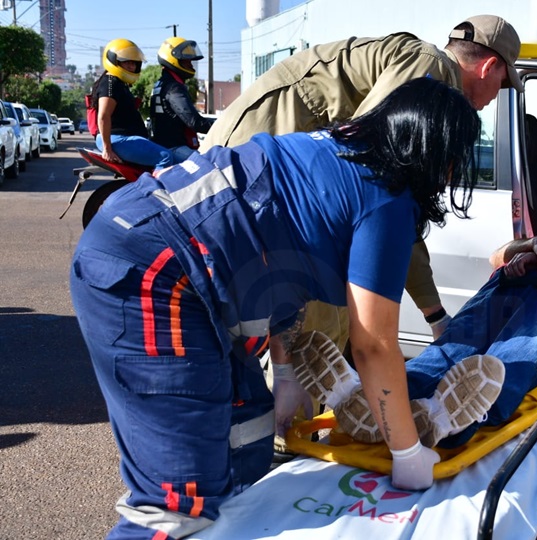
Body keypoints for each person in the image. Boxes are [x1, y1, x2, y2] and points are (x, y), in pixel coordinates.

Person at [69, 78, 484, 538]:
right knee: (177, 503)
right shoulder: (386, 196)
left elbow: (277, 252)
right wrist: (407, 453)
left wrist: (284, 372)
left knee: (248, 432)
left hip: (165, 255)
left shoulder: (326, 148)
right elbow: (374, 345)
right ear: (432, 148)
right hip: (153, 272)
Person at [202, 14, 524, 374]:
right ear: (489, 66)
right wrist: (433, 314)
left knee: (318, 332)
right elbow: (377, 179)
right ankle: (288, 425)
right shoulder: (430, 68)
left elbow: (394, 197)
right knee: (316, 335)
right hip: (260, 170)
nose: (498, 95)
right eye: (503, 83)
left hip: (258, 173)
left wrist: (433, 312)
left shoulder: (429, 76)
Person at [290, 235, 537, 448]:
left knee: (511, 356)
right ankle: (366, 399)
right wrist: (536, 246)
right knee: (448, 349)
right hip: (508, 283)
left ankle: (453, 419)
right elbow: (496, 256)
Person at [89, 38, 177, 169]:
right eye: (126, 62)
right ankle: (156, 189)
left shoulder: (118, 83)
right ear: (114, 60)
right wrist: (107, 149)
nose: (132, 66)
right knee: (165, 156)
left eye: (134, 63)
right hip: (117, 139)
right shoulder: (111, 83)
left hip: (121, 139)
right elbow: (103, 116)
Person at [150, 37, 215, 161]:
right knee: (209, 168)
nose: (191, 65)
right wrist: (223, 124)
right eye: (186, 61)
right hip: (173, 147)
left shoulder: (161, 83)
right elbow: (194, 122)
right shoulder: (173, 87)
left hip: (160, 144)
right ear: (174, 60)